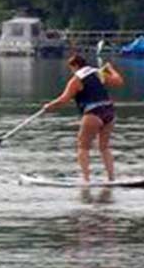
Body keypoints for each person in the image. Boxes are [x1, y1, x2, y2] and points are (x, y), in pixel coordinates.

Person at [42, 50, 125, 182]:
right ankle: (111, 178)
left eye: (71, 68)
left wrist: (49, 106)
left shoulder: (76, 80)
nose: (71, 71)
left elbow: (63, 99)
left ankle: (86, 179)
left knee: (83, 146)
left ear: (75, 66)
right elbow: (119, 81)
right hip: (109, 112)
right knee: (104, 147)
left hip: (93, 113)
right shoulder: (98, 73)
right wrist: (110, 69)